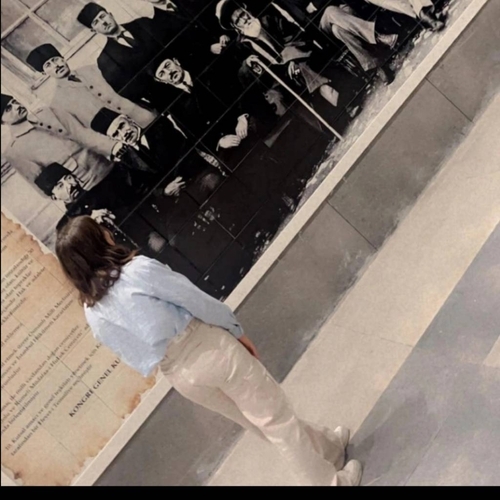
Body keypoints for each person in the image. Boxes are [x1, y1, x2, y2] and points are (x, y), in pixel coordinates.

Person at [55, 215, 364, 487]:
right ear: (98, 242)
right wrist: (235, 329)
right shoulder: (137, 271)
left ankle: (329, 449)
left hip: (178, 375)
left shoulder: (93, 313)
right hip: (205, 346)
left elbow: (136, 357)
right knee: (275, 418)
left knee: (261, 422)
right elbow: (193, 298)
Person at [0, 93, 127, 194]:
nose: (17, 106)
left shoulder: (47, 112)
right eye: (8, 109)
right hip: (88, 189)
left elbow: (82, 133)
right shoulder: (14, 151)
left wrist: (112, 147)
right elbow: (43, 185)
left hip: (108, 165)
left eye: (15, 101)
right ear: (2, 121)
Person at [90, 107, 226, 201]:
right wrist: (164, 191)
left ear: (129, 119)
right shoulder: (127, 160)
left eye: (121, 126)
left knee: (214, 183)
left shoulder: (160, 127)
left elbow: (186, 153)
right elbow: (144, 189)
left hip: (198, 177)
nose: (123, 134)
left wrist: (179, 180)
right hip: (175, 198)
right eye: (116, 134)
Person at [26, 43, 156, 129]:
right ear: (44, 73)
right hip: (121, 135)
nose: (56, 66)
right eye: (48, 65)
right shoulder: (58, 103)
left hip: (143, 116)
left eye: (55, 59)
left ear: (63, 58)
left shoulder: (93, 68)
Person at [76, 2, 165, 106]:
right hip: (163, 96)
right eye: (96, 22)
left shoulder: (142, 23)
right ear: (94, 30)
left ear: (110, 14)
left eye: (102, 16)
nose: (103, 23)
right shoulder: (105, 60)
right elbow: (129, 92)